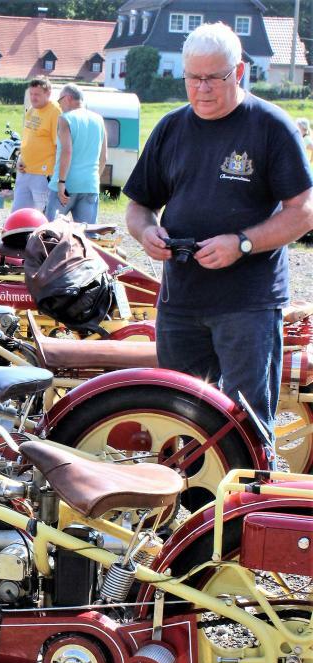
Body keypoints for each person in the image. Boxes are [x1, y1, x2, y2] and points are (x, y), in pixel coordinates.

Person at [124, 21, 313, 445]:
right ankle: (189, 508)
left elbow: (303, 212)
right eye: (193, 78)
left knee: (245, 423)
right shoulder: (171, 129)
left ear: (240, 72)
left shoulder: (270, 127)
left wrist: (241, 244)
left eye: (215, 77)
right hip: (180, 301)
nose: (203, 89)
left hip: (247, 305)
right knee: (178, 418)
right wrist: (146, 233)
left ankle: (245, 508)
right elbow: (137, 206)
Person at [45, 84, 107, 224]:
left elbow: (67, 151)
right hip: (90, 185)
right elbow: (104, 157)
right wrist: (94, 180)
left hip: (67, 185)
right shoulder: (99, 120)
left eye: (59, 101)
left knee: (51, 234)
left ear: (67, 98)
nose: (59, 106)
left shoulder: (65, 118)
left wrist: (61, 182)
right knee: (88, 236)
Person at [12, 76, 60, 213]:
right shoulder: (32, 110)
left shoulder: (55, 112)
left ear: (48, 93)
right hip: (25, 170)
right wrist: (21, 158)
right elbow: (27, 138)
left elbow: (59, 146)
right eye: (31, 94)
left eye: (37, 94)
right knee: (18, 212)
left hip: (43, 174)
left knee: (41, 214)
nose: (33, 98)